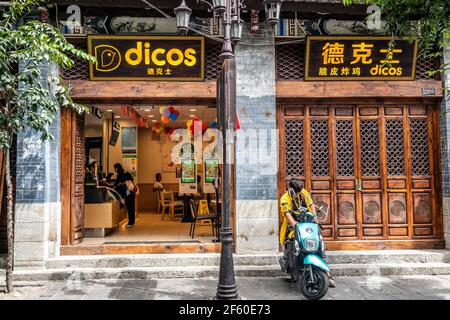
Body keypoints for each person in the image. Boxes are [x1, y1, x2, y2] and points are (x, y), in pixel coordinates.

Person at [279, 179, 336, 288]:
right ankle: (295, 271)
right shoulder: (285, 198)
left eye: (300, 191)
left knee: (319, 243)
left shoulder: (303, 192)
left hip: (308, 226)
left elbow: (311, 205)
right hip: (293, 227)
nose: (300, 194)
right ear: (291, 190)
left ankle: (327, 274)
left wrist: (314, 217)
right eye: (297, 192)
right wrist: (294, 223)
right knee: (294, 245)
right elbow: (286, 213)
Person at [113, 163, 136, 228]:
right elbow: (132, 180)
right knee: (131, 207)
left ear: (117, 168)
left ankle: (131, 223)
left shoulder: (120, 175)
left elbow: (117, 183)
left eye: (115, 168)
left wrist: (113, 186)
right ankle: (131, 222)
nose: (114, 170)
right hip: (131, 192)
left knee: (130, 208)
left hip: (128, 193)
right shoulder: (126, 172)